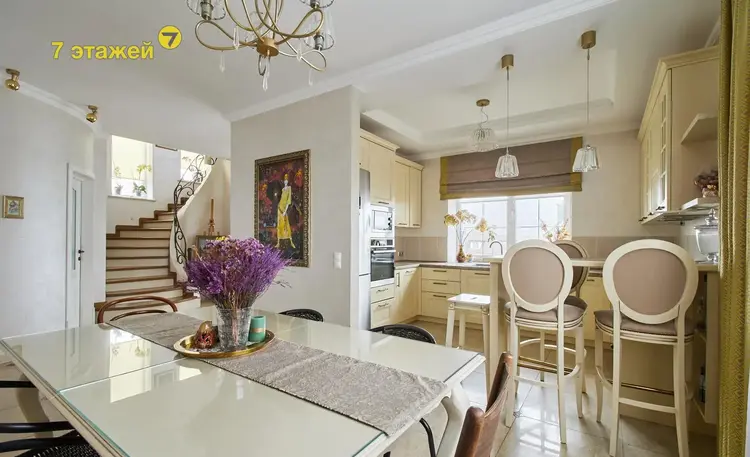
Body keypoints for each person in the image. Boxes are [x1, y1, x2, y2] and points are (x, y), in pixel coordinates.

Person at [276, 173, 295, 248]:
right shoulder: (283, 189)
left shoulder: (289, 188)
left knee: (286, 223)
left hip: (284, 208)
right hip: (279, 207)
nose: (285, 181)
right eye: (284, 180)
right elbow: (281, 199)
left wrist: (285, 211)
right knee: (279, 224)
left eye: (286, 180)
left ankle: (291, 241)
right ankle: (278, 242)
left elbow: (288, 200)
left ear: (288, 181)